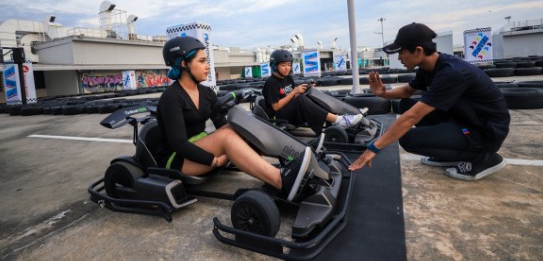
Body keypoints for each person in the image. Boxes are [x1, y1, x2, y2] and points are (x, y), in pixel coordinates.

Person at [155, 36, 313, 201]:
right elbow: (178, 144)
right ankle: (280, 181)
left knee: (242, 127)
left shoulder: (206, 93)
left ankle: (294, 155)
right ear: (183, 64)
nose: (207, 66)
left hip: (198, 144)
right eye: (201, 61)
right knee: (227, 137)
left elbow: (221, 122)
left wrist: (240, 137)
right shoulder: (171, 98)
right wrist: (215, 160)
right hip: (176, 158)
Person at [349, 22, 510, 181]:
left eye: (401, 52)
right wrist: (383, 93)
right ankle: (449, 154)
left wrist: (373, 148)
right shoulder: (429, 67)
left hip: (485, 132)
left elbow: (413, 116)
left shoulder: (452, 73)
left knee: (408, 139)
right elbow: (408, 91)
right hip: (465, 119)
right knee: (405, 103)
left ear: (418, 51)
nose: (399, 58)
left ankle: (484, 158)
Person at [262, 49, 363, 136]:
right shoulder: (271, 83)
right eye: (283, 65)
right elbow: (276, 106)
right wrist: (294, 92)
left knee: (311, 94)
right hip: (280, 117)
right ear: (275, 66)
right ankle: (339, 120)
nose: (287, 68)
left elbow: (291, 97)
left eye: (289, 65)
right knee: (301, 100)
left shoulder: (288, 78)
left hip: (291, 110)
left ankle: (345, 113)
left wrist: (303, 90)